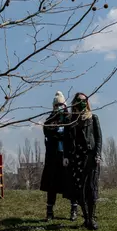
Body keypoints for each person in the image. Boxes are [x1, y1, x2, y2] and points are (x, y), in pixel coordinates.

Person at [65, 93, 102, 230]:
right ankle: (86, 217)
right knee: (79, 189)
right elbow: (67, 140)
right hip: (77, 158)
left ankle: (92, 218)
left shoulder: (93, 118)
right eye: (78, 100)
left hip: (90, 156)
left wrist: (97, 154)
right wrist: (66, 156)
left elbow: (98, 138)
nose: (81, 103)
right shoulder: (71, 120)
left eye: (83, 100)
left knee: (91, 188)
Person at [41, 92, 78, 222]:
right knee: (52, 185)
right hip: (53, 157)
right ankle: (50, 211)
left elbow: (72, 136)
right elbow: (49, 133)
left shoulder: (71, 119)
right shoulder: (49, 120)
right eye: (56, 105)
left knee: (71, 184)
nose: (59, 107)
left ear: (65, 105)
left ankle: (74, 209)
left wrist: (59, 133)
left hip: (67, 156)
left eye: (61, 104)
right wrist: (59, 133)